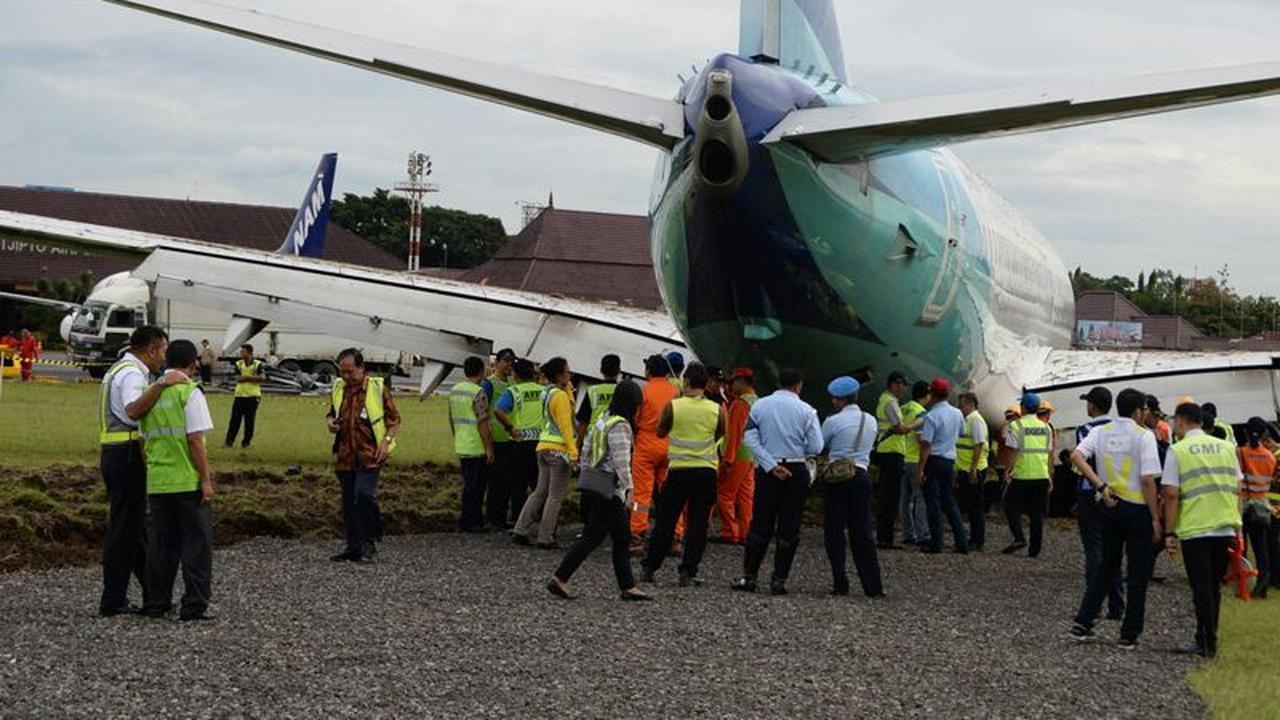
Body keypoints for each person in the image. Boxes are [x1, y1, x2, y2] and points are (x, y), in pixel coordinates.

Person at [97, 325, 183, 616]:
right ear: (151, 349)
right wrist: (161, 385)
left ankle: (154, 594)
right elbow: (133, 410)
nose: (164, 358)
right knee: (124, 529)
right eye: (163, 351)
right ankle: (113, 599)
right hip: (127, 454)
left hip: (116, 453)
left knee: (134, 528)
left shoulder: (118, 368)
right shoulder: (133, 374)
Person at [1067, 388, 1162, 649]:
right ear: (1138, 411)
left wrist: (1099, 484)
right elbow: (1148, 480)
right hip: (1138, 509)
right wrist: (1155, 516)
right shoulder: (1144, 436)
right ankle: (1128, 633)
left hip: (1109, 504)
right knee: (1137, 573)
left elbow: (1076, 456)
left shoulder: (1101, 431)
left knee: (1106, 566)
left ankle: (1083, 621)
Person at [548, 381, 651, 601]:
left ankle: (627, 585)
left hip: (595, 484)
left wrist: (586, 471)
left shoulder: (603, 419)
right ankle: (561, 577)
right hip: (610, 490)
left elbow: (587, 449)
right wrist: (630, 488)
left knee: (619, 536)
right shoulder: (621, 425)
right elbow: (621, 460)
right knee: (594, 538)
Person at [138, 340, 216, 621]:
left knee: (161, 545)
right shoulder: (189, 392)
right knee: (196, 544)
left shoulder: (151, 394)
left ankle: (156, 602)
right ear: (193, 364)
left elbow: (143, 439)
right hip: (186, 479)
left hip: (159, 480)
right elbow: (195, 439)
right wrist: (205, 479)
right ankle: (194, 604)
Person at [731, 367, 823, 596]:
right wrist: (797, 451)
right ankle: (779, 580)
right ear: (798, 385)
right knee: (789, 527)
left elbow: (749, 437)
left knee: (760, 523)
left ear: (778, 382)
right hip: (796, 468)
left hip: (768, 469)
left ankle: (749, 577)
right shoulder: (808, 411)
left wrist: (770, 464)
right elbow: (816, 446)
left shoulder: (760, 406)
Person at [1161, 402, 1243, 658]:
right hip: (1225, 525)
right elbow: (1238, 488)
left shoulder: (1178, 450)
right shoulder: (1227, 447)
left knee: (1200, 587)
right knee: (1213, 585)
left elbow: (1171, 494)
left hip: (1196, 527)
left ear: (1181, 422)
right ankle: (1208, 635)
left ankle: (1207, 642)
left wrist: (1169, 532)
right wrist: (1238, 526)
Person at [641, 362, 726, 586]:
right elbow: (720, 433)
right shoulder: (716, 409)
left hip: (679, 469)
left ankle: (650, 567)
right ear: (706, 384)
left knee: (666, 521)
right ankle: (688, 572)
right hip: (706, 470)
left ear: (686, 382)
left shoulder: (673, 406)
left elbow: (661, 432)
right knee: (698, 523)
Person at [326, 348, 400, 562]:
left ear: (361, 368)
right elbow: (331, 413)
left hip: (370, 453)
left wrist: (386, 443)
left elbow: (394, 420)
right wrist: (330, 423)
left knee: (364, 495)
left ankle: (371, 539)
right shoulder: (339, 388)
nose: (346, 376)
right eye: (342, 372)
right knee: (349, 502)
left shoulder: (377, 389)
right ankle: (353, 547)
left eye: (350, 372)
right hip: (345, 454)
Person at [820, 376, 884, 597]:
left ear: (840, 400)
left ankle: (840, 583)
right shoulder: (871, 420)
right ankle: (873, 586)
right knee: (862, 531)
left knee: (834, 530)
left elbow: (819, 444)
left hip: (837, 477)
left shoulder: (833, 421)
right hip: (861, 475)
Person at [513, 357, 578, 548]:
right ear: (559, 375)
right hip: (558, 449)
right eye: (567, 372)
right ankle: (545, 536)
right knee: (555, 496)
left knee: (539, 492)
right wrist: (573, 453)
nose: (570, 375)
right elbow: (566, 426)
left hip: (543, 446)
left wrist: (568, 390)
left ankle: (521, 529)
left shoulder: (547, 392)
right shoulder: (560, 397)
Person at [1073, 386, 1125, 621]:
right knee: (1113, 549)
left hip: (1091, 491)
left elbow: (1082, 461)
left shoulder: (1086, 430)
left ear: (1092, 405)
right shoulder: (1118, 429)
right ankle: (1117, 604)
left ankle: (1093, 604)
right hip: (1116, 492)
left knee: (1093, 549)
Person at [629, 354, 681, 549]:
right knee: (671, 493)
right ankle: (676, 536)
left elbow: (635, 419)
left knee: (642, 495)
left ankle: (637, 535)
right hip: (669, 446)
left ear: (649, 371)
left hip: (646, 445)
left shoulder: (644, 391)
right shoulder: (676, 392)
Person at [914, 379, 969, 554]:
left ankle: (936, 543)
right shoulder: (957, 413)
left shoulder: (931, 416)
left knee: (933, 502)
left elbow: (926, 445)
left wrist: (920, 470)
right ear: (948, 393)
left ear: (932, 394)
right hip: (949, 461)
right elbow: (962, 432)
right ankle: (961, 542)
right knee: (949, 501)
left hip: (933, 460)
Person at [494, 359, 545, 528]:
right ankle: (544, 519)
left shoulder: (513, 391)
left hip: (519, 442)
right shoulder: (543, 391)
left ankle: (519, 521)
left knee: (518, 485)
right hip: (541, 442)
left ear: (515, 375)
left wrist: (510, 428)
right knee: (539, 484)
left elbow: (498, 410)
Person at [1003, 393, 1053, 557]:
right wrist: (1049, 475)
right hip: (1041, 475)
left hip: (1022, 474)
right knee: (1037, 513)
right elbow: (1048, 453)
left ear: (1023, 407)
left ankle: (1019, 537)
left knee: (1010, 506)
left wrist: (1007, 470)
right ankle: (1034, 549)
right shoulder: (1046, 427)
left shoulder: (1016, 425)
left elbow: (1012, 450)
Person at [451, 356, 495, 533]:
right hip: (476, 445)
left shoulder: (455, 390)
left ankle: (468, 519)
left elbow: (451, 418)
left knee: (469, 484)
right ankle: (472, 521)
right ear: (482, 371)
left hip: (461, 442)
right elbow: (482, 422)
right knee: (477, 487)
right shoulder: (478, 392)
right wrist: (489, 447)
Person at [716, 367, 757, 544]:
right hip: (751, 455)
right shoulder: (757, 401)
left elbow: (734, 433)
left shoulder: (741, 404)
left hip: (738, 455)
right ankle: (746, 532)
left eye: (733, 382)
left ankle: (730, 531)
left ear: (741, 382)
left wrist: (728, 459)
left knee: (724, 494)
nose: (730, 386)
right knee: (746, 496)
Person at [1238, 417, 1276, 598]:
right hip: (1262, 507)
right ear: (1264, 434)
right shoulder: (1270, 456)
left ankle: (1242, 582)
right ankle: (1263, 582)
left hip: (1243, 505)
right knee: (1261, 548)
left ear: (1246, 432)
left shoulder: (1240, 453)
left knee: (1242, 546)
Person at [873, 371, 911, 549]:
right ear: (895, 384)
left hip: (888, 451)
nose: (904, 389)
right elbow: (900, 428)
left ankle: (884, 537)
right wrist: (918, 423)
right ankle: (885, 538)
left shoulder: (887, 400)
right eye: (903, 385)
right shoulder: (889, 402)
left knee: (887, 495)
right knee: (889, 497)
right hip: (891, 452)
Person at [483, 348, 517, 528]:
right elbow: (482, 411)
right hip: (496, 438)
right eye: (506, 361)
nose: (509, 365)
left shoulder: (512, 383)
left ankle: (501, 518)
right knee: (495, 481)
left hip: (510, 438)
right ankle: (492, 517)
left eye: (512, 362)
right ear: (497, 362)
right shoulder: (489, 384)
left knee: (507, 480)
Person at [955, 392, 989, 550]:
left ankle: (977, 540)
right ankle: (974, 538)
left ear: (970, 404)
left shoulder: (975, 420)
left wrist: (973, 468)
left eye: (961, 405)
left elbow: (978, 445)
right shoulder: (968, 420)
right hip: (965, 467)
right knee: (971, 505)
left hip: (973, 469)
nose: (960, 408)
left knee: (975, 506)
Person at [899, 381, 931, 549]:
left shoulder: (903, 408)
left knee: (904, 499)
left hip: (901, 458)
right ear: (926, 395)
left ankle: (907, 534)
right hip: (914, 460)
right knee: (920, 498)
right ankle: (923, 535)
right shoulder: (921, 412)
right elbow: (920, 439)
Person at [224, 344, 265, 448]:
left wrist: (247, 378)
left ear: (249, 352)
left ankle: (246, 442)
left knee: (249, 420)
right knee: (235, 419)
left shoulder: (257, 364)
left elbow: (262, 377)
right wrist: (250, 378)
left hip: (253, 395)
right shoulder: (239, 364)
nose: (241, 353)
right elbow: (237, 377)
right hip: (239, 395)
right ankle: (229, 441)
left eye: (243, 351)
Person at [576, 353, 621, 447]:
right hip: (616, 440)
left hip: (593, 441)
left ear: (601, 370)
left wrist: (578, 445)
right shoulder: (622, 391)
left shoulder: (593, 391)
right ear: (619, 371)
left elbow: (583, 422)